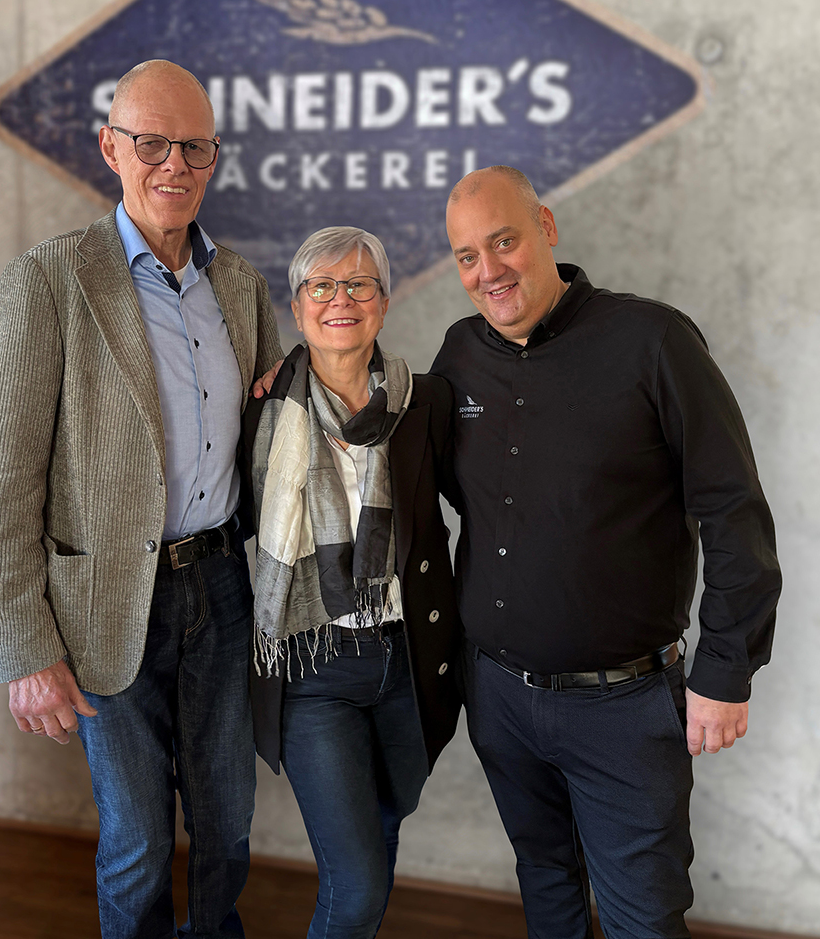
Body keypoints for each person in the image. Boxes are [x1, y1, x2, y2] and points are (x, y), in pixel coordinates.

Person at [0, 59, 282, 939]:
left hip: (221, 588)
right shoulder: (50, 282)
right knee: (140, 843)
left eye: (194, 146)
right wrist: (24, 646)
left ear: (214, 156)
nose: (173, 164)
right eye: (151, 143)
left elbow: (270, 443)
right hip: (107, 604)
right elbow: (2, 481)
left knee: (227, 830)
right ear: (111, 147)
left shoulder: (241, 285)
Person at [428, 165, 781, 939]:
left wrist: (727, 669)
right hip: (501, 697)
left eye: (504, 241)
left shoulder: (654, 340)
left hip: (623, 709)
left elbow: (732, 507)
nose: (488, 271)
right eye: (465, 256)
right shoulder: (459, 355)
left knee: (643, 921)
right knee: (547, 889)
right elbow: (455, 491)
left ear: (546, 227)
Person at [242, 226, 461, 939]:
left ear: (384, 302)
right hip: (312, 669)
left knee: (382, 835)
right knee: (360, 883)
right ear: (298, 306)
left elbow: (485, 509)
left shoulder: (424, 403)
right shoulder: (260, 411)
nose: (342, 298)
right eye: (322, 285)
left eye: (359, 284)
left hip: (406, 662)